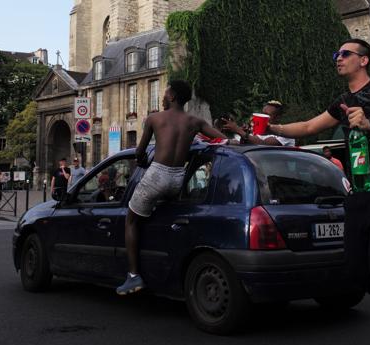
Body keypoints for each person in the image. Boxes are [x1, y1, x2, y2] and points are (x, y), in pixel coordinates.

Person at [265, 38, 370, 345]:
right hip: (359, 190)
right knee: (356, 271)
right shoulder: (342, 101)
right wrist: (273, 129)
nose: (338, 58)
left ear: (363, 60)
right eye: (336, 53)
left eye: (345, 53)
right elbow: (311, 126)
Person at [116, 80, 227, 295]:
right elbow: (222, 140)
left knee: (131, 220)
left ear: (173, 97)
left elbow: (140, 152)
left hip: (157, 174)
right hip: (178, 177)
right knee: (167, 217)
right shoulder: (194, 121)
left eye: (165, 93)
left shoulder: (154, 118)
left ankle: (133, 276)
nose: (163, 97)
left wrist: (141, 161)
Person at [222, 100, 295, 146]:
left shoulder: (286, 133)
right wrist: (244, 133)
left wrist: (238, 130)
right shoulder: (257, 131)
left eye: (267, 114)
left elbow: (263, 144)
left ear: (277, 117)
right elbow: (244, 146)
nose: (263, 116)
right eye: (262, 113)